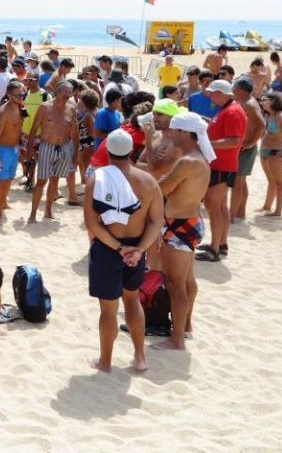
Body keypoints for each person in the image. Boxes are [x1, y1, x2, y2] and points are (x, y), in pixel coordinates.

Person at [83, 130, 163, 372]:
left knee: (108, 310)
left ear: (107, 151)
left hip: (109, 249)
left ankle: (105, 361)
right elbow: (156, 222)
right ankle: (140, 357)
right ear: (132, 151)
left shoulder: (97, 179)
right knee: (132, 301)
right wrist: (138, 250)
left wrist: (119, 248)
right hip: (136, 248)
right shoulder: (148, 181)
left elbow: (92, 224)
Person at [150, 113, 214, 351]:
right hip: (188, 221)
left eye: (174, 130)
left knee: (175, 283)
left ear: (185, 133)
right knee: (186, 280)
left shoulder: (188, 161)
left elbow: (163, 188)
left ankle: (176, 339)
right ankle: (185, 326)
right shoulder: (197, 158)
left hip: (180, 224)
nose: (169, 134)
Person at [197, 80, 248, 262]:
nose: (210, 96)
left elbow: (233, 140)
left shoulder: (233, 111)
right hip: (222, 164)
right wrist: (209, 122)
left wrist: (205, 144)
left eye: (212, 93)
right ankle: (221, 243)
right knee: (219, 206)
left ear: (220, 93)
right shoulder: (228, 109)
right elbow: (225, 132)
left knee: (212, 205)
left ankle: (214, 248)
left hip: (221, 165)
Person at [27, 81, 80, 222]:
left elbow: (75, 134)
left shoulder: (71, 109)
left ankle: (48, 210)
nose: (68, 95)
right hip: (47, 147)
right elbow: (33, 130)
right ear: (58, 91)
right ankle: (33, 214)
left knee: (55, 181)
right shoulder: (45, 107)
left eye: (70, 92)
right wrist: (29, 151)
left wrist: (76, 155)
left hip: (64, 147)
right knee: (41, 182)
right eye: (66, 91)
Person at [0, 82, 24, 222]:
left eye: (23, 94)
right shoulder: (3, 112)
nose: (21, 97)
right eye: (18, 95)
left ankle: (3, 203)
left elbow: (18, 130)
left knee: (9, 179)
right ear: (9, 95)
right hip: (4, 151)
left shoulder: (19, 107)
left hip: (14, 149)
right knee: (2, 182)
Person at [231, 78, 265, 222]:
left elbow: (262, 125)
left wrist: (251, 142)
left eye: (234, 86)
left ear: (241, 89)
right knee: (241, 182)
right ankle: (240, 212)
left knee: (237, 182)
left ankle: (231, 215)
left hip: (245, 148)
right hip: (242, 147)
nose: (232, 88)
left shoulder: (249, 104)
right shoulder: (245, 101)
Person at [257, 93, 282, 217]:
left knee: (279, 182)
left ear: (273, 101)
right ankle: (267, 206)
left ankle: (278, 211)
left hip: (276, 152)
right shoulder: (268, 115)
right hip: (264, 151)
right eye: (261, 100)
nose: (262, 102)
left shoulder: (280, 116)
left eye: (264, 100)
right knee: (271, 180)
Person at [76, 90, 100, 185]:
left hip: (87, 146)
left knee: (87, 170)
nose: (79, 101)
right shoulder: (96, 112)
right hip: (88, 145)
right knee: (85, 168)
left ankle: (88, 192)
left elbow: (92, 133)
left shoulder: (88, 116)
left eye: (81, 100)